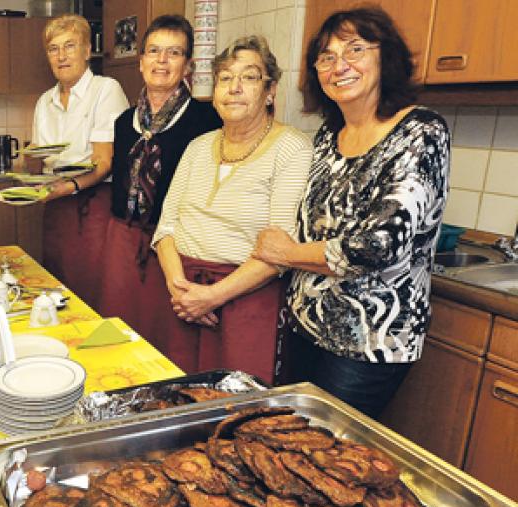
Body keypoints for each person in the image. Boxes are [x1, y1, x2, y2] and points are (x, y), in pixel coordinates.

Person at [254, 7, 449, 418]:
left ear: (385, 57)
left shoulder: (421, 131)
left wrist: (286, 254)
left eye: (355, 49)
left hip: (369, 342)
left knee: (324, 456)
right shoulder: (329, 135)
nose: (339, 65)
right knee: (286, 443)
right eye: (326, 56)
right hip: (306, 325)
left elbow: (377, 247)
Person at [151, 36, 313, 384]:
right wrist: (181, 290)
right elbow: (166, 228)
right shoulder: (198, 146)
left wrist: (211, 297)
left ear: (270, 91)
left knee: (240, 411)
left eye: (250, 77)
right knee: (179, 398)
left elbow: (280, 250)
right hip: (184, 296)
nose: (234, 88)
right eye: (225, 78)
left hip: (247, 300)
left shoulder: (292, 149)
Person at [99, 15, 222, 345]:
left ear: (188, 65)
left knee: (165, 339)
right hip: (122, 240)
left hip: (173, 248)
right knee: (118, 333)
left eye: (174, 52)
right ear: (141, 62)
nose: (162, 61)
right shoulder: (125, 121)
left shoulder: (206, 120)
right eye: (154, 51)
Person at [30, 14, 129, 308]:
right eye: (53, 49)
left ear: (87, 51)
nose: (61, 56)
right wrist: (26, 166)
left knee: (89, 290)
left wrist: (69, 186)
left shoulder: (105, 90)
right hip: (55, 206)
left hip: (92, 204)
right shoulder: (44, 102)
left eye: (70, 46)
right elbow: (40, 160)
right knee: (55, 286)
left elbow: (104, 161)